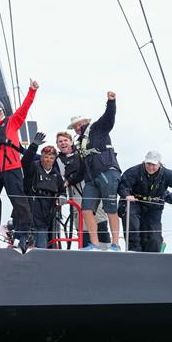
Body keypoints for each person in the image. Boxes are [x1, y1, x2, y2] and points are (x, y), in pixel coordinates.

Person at [0, 78, 39, 248]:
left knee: (19, 202)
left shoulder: (13, 121)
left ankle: (23, 235)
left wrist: (32, 91)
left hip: (12, 169)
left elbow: (24, 108)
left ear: (3, 112)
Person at [69, 91, 122, 251]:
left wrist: (111, 102)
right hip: (91, 178)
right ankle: (95, 244)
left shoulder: (97, 129)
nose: (77, 127)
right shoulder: (79, 143)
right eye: (75, 126)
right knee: (86, 209)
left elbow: (109, 119)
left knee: (110, 209)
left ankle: (116, 244)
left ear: (86, 122)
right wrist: (69, 181)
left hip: (107, 172)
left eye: (79, 124)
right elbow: (81, 166)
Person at [118, 151, 172, 252]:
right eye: (148, 164)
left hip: (154, 207)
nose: (150, 167)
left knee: (155, 239)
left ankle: (153, 257)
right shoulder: (134, 171)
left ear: (159, 164)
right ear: (144, 162)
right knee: (133, 227)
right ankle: (134, 252)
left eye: (153, 164)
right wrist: (127, 195)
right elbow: (123, 185)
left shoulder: (167, 175)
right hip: (134, 202)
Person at [55, 130, 110, 248]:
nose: (63, 143)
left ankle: (106, 250)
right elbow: (59, 180)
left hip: (91, 187)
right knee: (81, 221)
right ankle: (85, 250)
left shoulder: (81, 152)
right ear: (57, 145)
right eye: (60, 142)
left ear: (71, 141)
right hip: (75, 193)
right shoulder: (57, 160)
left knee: (99, 217)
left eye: (65, 140)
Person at [28, 145, 66, 248]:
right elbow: (25, 162)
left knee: (42, 244)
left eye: (51, 157)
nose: (48, 160)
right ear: (41, 157)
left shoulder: (56, 175)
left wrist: (62, 197)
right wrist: (33, 146)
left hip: (47, 213)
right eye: (45, 156)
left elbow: (63, 191)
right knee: (28, 242)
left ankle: (41, 260)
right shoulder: (33, 167)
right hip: (31, 208)